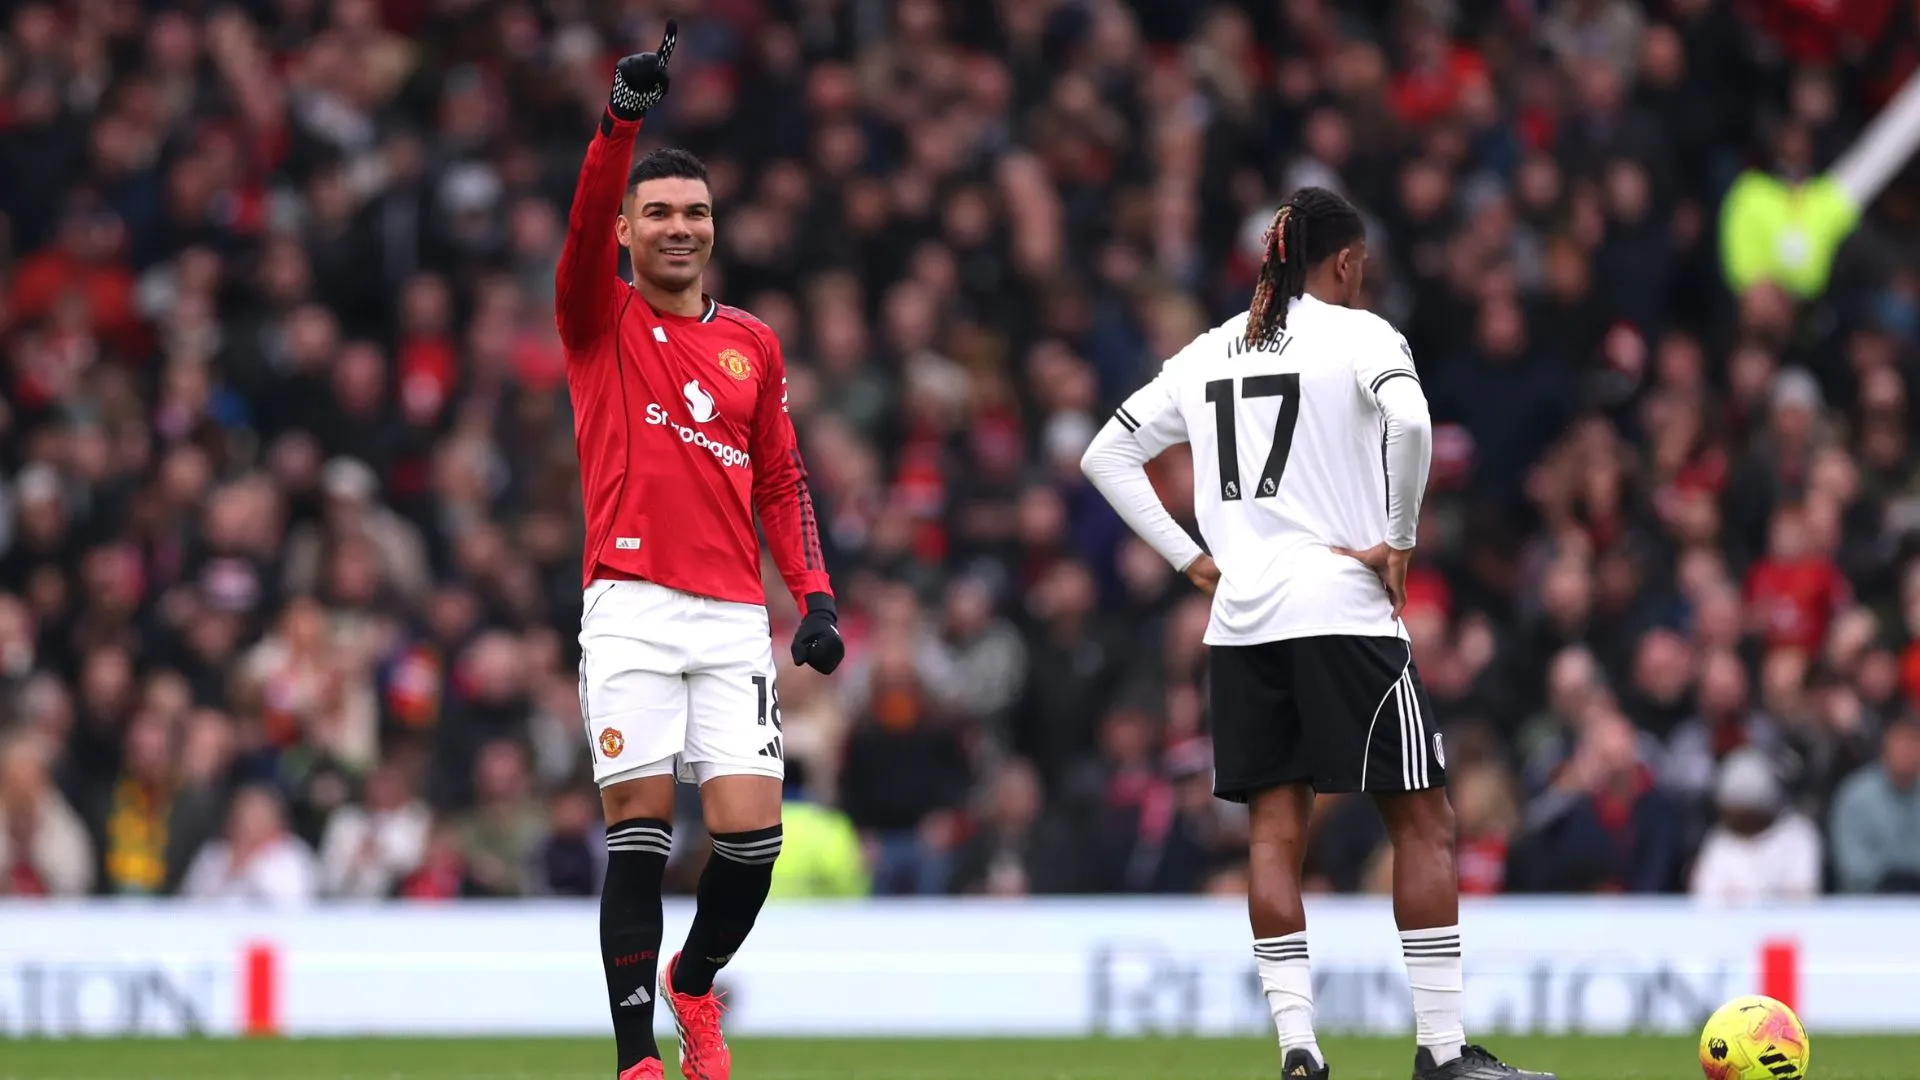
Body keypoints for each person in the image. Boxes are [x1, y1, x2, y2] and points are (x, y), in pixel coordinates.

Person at [1081, 187, 1551, 1080]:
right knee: (1424, 821)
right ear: (1343, 263)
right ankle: (1443, 1055)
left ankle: (1299, 1047)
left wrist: (1192, 562)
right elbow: (1411, 422)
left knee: (1272, 834)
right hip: (1341, 608)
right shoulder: (1362, 334)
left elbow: (1104, 453)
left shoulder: (1207, 351)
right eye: (1360, 267)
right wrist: (1403, 539)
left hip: (1242, 623)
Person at [555, 23, 844, 1080]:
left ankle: (692, 983)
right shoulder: (599, 320)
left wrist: (811, 594)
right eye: (660, 214)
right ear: (629, 232)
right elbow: (585, 216)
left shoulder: (752, 343)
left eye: (696, 214)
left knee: (751, 841)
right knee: (638, 834)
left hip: (731, 617)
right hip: (628, 605)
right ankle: (637, 1060)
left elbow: (781, 478)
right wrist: (619, 125)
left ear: (715, 230)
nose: (680, 229)